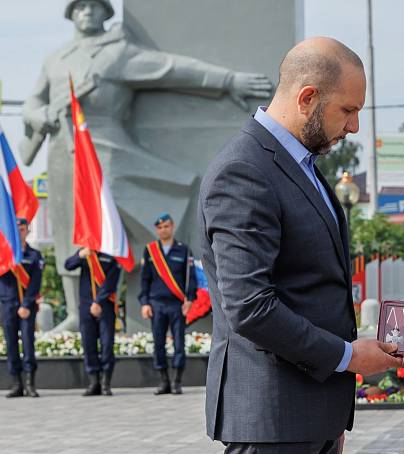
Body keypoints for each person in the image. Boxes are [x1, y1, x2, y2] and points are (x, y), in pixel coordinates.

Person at [199, 37, 402, 454]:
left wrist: (327, 417)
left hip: (308, 415)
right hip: (272, 418)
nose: (352, 127)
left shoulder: (301, 165)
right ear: (307, 97)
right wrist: (348, 357)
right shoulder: (245, 170)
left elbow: (311, 288)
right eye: (347, 111)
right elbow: (250, 307)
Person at [20, 0, 272, 330]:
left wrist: (227, 80)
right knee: (71, 231)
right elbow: (33, 102)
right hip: (63, 151)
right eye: (80, 7)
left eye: (95, 6)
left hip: (107, 148)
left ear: (105, 13)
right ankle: (74, 313)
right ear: (70, 14)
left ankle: (164, 283)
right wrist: (40, 116)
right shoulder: (55, 59)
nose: (87, 13)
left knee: (141, 208)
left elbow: (171, 68)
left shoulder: (116, 52)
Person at [139, 213, 197, 395]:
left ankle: (176, 381)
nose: (163, 230)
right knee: (158, 343)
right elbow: (145, 280)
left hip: (177, 305)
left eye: (166, 226)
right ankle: (164, 381)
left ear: (172, 227)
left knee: (179, 343)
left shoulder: (184, 250)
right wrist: (144, 303)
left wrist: (189, 299)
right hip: (156, 304)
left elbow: (191, 278)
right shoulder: (150, 250)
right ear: (157, 229)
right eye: (160, 227)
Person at [64, 247, 121, 396]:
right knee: (88, 344)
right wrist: (80, 256)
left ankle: (105, 383)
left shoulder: (111, 254)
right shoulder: (85, 252)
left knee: (107, 344)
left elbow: (111, 282)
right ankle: (94, 382)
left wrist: (98, 301)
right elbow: (68, 265)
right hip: (85, 306)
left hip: (105, 306)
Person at [1, 218, 44, 398]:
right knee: (11, 344)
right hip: (7, 303)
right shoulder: (4, 255)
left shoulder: (35, 255)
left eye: (23, 229)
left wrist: (26, 304)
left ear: (27, 231)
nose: (19, 232)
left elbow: (35, 283)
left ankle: (30, 384)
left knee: (28, 343)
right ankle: (16, 384)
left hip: (27, 306)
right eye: (16, 229)